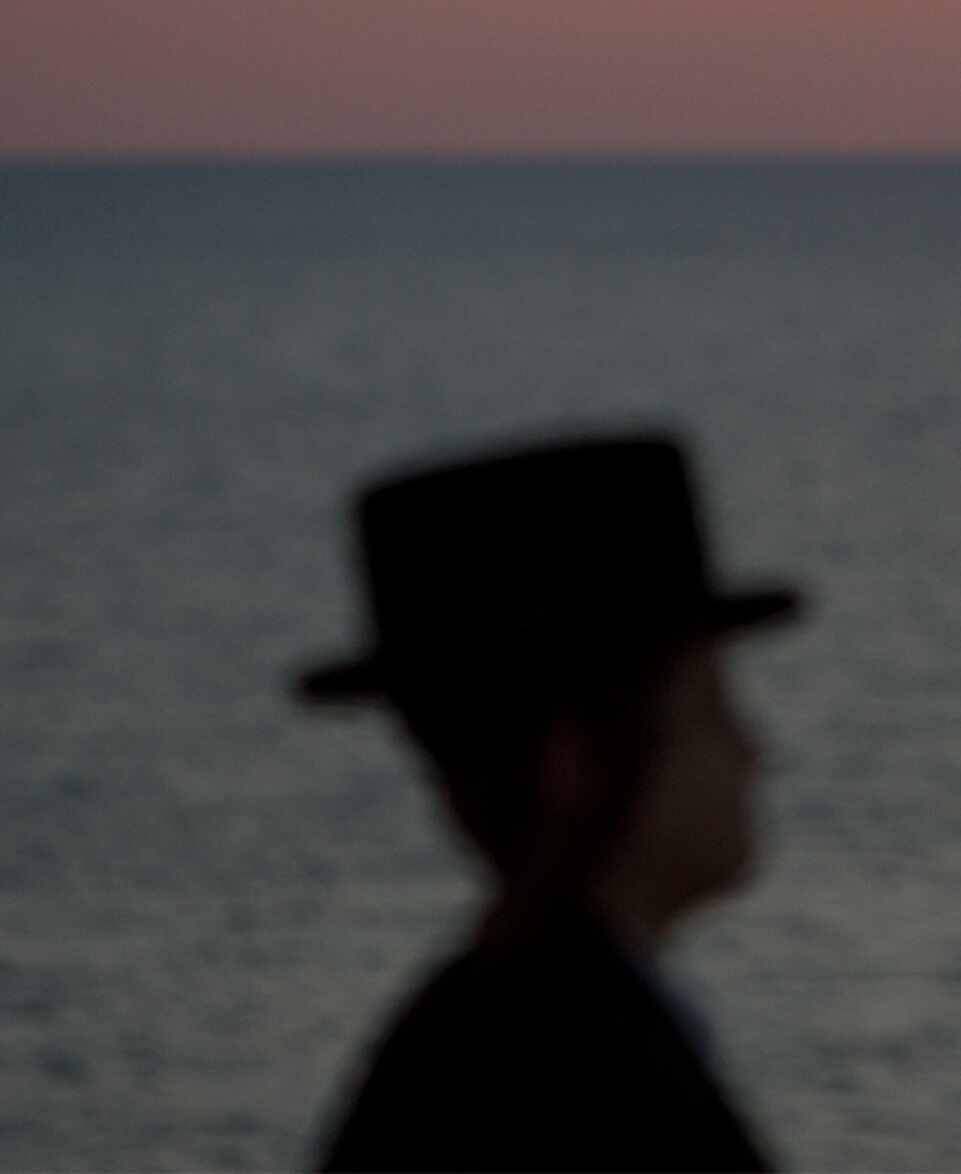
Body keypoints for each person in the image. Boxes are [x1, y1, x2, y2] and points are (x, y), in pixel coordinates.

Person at [294, 432, 803, 1170]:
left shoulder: (476, 1037)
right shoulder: (582, 1087)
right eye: (712, 712)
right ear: (577, 765)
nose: (755, 753)